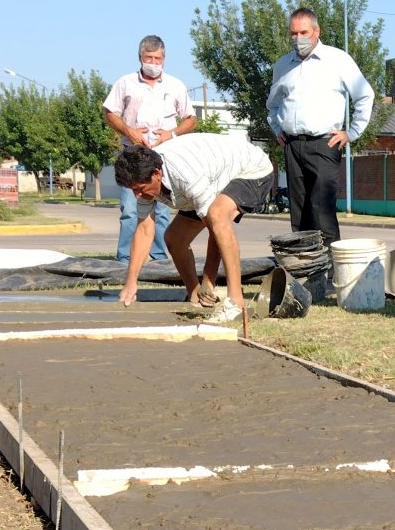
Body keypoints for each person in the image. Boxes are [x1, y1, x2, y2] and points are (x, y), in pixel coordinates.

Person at [114, 133, 274, 323]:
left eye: (140, 188)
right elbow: (144, 230)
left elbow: (215, 229)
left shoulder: (186, 175)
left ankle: (236, 302)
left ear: (157, 174)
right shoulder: (145, 180)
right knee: (174, 238)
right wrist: (131, 282)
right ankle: (196, 296)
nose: (137, 195)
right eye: (133, 190)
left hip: (252, 170)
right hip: (211, 179)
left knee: (217, 215)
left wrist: (209, 278)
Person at [266, 7, 375, 250]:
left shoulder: (338, 60)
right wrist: (277, 128)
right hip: (293, 145)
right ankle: (305, 267)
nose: (298, 38)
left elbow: (365, 95)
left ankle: (328, 272)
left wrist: (352, 132)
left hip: (325, 143)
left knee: (321, 209)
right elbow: (271, 105)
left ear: (317, 31)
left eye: (303, 32)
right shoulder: (283, 66)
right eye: (293, 33)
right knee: (300, 211)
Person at [104, 34, 197, 263]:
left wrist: (172, 133)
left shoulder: (175, 85)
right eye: (149, 58)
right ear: (140, 58)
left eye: (158, 58)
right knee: (130, 209)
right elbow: (109, 113)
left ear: (164, 59)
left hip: (164, 156)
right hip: (133, 155)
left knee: (163, 211)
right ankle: (125, 259)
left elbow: (191, 119)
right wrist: (129, 131)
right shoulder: (125, 83)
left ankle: (160, 258)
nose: (153, 63)